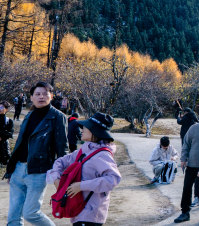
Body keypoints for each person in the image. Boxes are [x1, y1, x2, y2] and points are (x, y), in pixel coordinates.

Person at [5, 81, 68, 226]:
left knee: (31, 213)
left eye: (45, 94)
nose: (41, 97)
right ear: (31, 97)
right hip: (18, 169)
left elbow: (62, 148)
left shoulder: (58, 117)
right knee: (13, 217)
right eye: (37, 94)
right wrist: (10, 170)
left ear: (51, 96)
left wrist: (61, 174)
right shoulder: (29, 115)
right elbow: (20, 143)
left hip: (39, 171)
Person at [46, 112, 121, 225]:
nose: (82, 129)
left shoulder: (102, 155)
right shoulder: (85, 150)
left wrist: (81, 186)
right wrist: (56, 178)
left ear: (94, 131)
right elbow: (60, 161)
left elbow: (113, 179)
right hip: (79, 210)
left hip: (91, 214)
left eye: (86, 127)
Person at [1, 101, 14, 166]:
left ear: (6, 109)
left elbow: (10, 133)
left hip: (3, 145)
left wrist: (2, 137)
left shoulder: (8, 121)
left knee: (5, 160)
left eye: (2, 107)